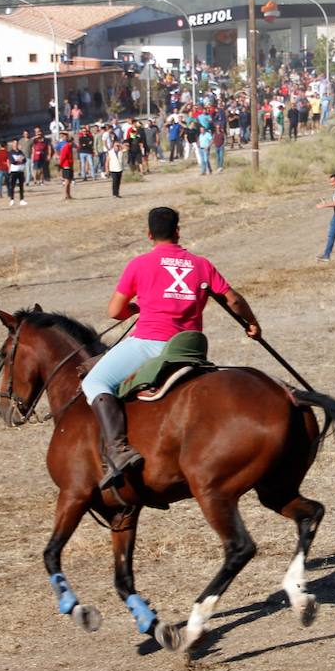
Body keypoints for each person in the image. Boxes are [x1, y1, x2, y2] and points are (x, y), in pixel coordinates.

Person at [80, 206, 261, 489]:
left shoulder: (139, 264)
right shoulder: (201, 264)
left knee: (95, 381)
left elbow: (114, 311)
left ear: (149, 234)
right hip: (189, 348)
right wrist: (251, 323)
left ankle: (118, 449)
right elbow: (233, 300)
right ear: (178, 231)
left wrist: (134, 309)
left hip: (150, 343)